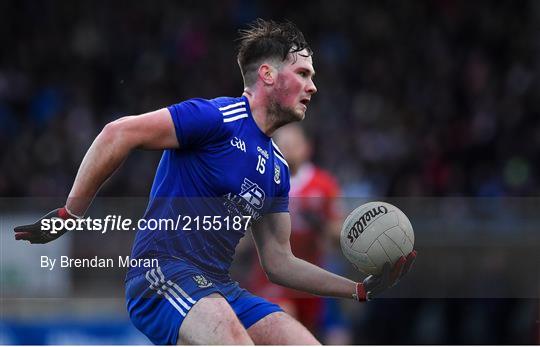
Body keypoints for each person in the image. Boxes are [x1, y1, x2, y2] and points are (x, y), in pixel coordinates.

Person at [14, 19, 416, 345]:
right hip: (161, 274)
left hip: (218, 287)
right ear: (268, 75)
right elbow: (117, 133)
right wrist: (70, 214)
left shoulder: (276, 168)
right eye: (303, 73)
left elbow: (279, 262)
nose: (313, 86)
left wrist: (357, 290)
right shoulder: (215, 118)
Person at [246, 124, 345, 337]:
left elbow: (339, 234)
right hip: (271, 278)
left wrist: (321, 226)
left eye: (294, 144)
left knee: (314, 333)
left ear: (307, 148)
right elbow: (243, 233)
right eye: (283, 145)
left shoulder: (324, 184)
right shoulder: (261, 182)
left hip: (310, 278)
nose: (288, 150)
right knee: (283, 322)